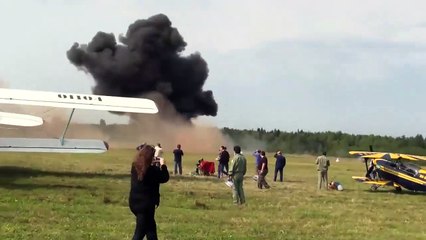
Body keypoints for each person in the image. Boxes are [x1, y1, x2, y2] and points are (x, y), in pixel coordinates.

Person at [129, 144, 170, 240]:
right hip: (146, 206)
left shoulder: (135, 167)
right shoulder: (152, 171)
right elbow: (164, 178)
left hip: (134, 203)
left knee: (151, 230)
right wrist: (163, 165)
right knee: (139, 234)